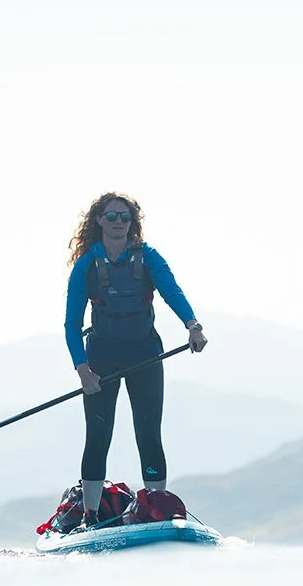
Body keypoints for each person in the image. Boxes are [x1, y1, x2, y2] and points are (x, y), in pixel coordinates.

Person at [64, 192, 207, 525]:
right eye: (112, 216)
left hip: (144, 353)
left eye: (125, 217)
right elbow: (72, 323)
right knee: (98, 435)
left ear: (132, 223)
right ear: (99, 220)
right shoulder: (86, 265)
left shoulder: (148, 257)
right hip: (101, 358)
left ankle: (157, 507)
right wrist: (83, 369)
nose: (119, 222)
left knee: (148, 431)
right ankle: (90, 514)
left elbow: (172, 292)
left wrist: (193, 326)